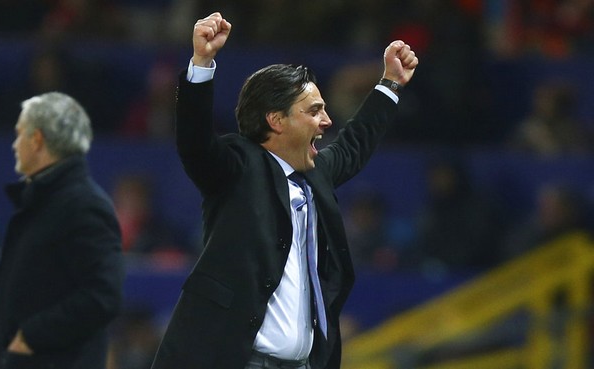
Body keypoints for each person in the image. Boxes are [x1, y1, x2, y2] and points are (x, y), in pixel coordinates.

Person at [151, 12, 418, 369]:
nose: (326, 121)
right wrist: (202, 63)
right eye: (314, 111)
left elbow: (355, 145)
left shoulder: (315, 175)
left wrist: (391, 85)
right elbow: (195, 143)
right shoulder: (238, 169)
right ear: (276, 120)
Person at [0, 92, 125, 369]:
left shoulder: (84, 205)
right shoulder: (44, 201)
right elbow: (33, 291)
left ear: (37, 139)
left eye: (19, 134)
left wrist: (30, 338)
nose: (14, 145)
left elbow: (103, 296)